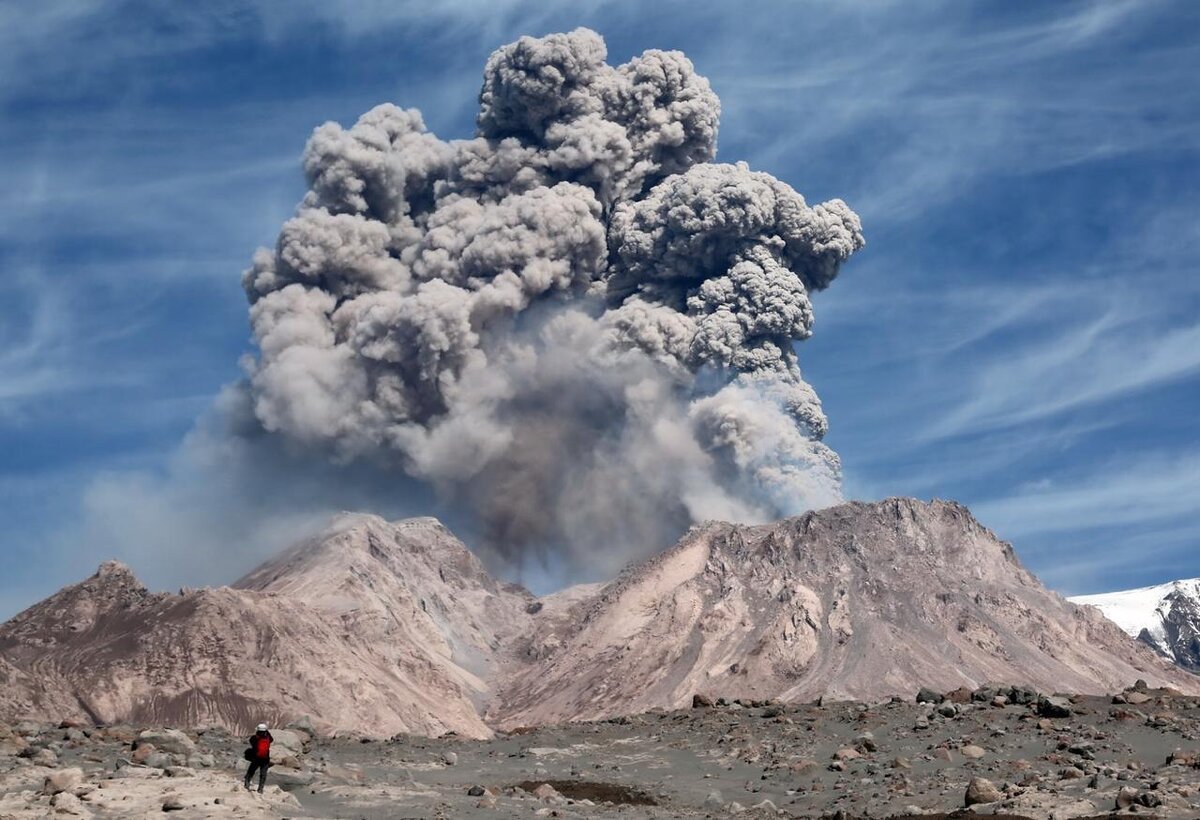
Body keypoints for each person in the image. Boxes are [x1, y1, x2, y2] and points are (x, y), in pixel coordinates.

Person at [243, 723, 273, 793]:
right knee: (263, 774)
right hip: (265, 759)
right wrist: (267, 732)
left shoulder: (255, 738)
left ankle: (247, 784)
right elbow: (272, 740)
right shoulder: (268, 738)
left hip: (256, 758)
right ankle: (260, 788)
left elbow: (251, 742)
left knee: (251, 771)